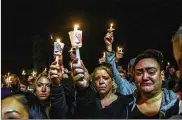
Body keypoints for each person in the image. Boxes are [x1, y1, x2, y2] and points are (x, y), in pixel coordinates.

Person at [127, 49, 179, 119]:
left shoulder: (177, 104)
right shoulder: (122, 105)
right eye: (139, 73)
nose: (145, 77)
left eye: (151, 72)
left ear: (162, 74)